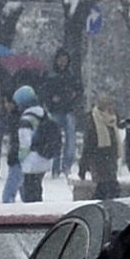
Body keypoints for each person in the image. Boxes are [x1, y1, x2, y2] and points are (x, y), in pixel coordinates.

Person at [5, 86, 53, 203]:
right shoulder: (44, 114)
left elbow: (25, 143)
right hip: (45, 157)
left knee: (27, 193)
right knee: (36, 190)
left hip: (31, 161)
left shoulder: (27, 118)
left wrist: (20, 158)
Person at [43, 48, 84, 179]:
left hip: (69, 110)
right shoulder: (50, 74)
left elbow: (79, 90)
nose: (62, 62)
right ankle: (55, 167)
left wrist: (74, 95)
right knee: (55, 140)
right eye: (60, 59)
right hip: (55, 111)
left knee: (70, 141)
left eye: (65, 59)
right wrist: (51, 101)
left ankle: (66, 167)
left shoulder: (72, 75)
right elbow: (44, 91)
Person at [86, 95, 123, 199]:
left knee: (106, 186)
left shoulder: (114, 119)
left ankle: (101, 202)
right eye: (109, 106)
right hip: (99, 157)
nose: (112, 108)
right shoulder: (93, 119)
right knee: (107, 185)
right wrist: (84, 163)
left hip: (111, 157)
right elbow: (88, 142)